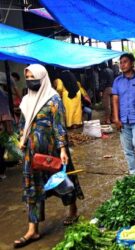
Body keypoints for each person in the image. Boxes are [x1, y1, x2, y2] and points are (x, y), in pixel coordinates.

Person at [14, 64, 84, 248]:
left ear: (42, 78)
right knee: (33, 188)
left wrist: (62, 149)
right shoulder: (26, 100)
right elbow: (22, 124)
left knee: (62, 181)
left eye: (33, 77)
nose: (30, 81)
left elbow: (58, 126)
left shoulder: (53, 100)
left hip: (52, 150)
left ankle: (72, 209)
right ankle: (33, 230)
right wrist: (21, 139)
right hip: (31, 152)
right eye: (27, 77)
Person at [0, 82, 13, 180]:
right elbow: (5, 113)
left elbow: (5, 113)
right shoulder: (3, 95)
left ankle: (1, 171)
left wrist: (8, 127)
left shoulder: (2, 95)